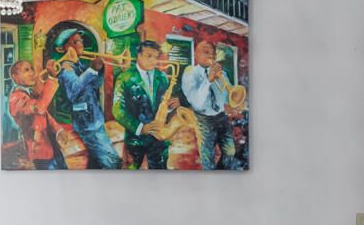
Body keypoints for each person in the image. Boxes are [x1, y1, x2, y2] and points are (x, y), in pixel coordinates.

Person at [51, 33, 120, 169]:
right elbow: (73, 92)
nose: (81, 44)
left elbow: (95, 85)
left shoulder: (80, 65)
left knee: (96, 159)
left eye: (81, 41)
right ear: (63, 48)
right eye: (75, 42)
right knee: (111, 160)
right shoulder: (66, 69)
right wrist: (92, 70)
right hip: (86, 121)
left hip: (94, 117)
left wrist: (100, 70)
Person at [112, 37, 172, 169]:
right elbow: (118, 110)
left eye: (156, 57)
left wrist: (171, 108)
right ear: (139, 55)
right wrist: (140, 128)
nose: (153, 61)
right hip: (135, 140)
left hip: (159, 140)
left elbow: (165, 103)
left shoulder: (162, 77)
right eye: (149, 56)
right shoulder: (124, 78)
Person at [6, 57, 64, 169]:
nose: (32, 73)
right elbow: (40, 108)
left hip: (51, 144)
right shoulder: (15, 98)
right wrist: (52, 78)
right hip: (39, 150)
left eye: (32, 69)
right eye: (26, 70)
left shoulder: (30, 93)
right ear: (15, 77)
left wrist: (58, 130)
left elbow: (45, 115)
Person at [181, 54, 236, 169]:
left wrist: (233, 101)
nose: (209, 55)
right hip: (204, 118)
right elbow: (197, 102)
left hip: (221, 116)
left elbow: (229, 95)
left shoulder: (222, 74)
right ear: (197, 56)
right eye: (205, 52)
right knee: (207, 156)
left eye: (212, 53)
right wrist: (208, 80)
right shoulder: (191, 73)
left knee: (230, 151)